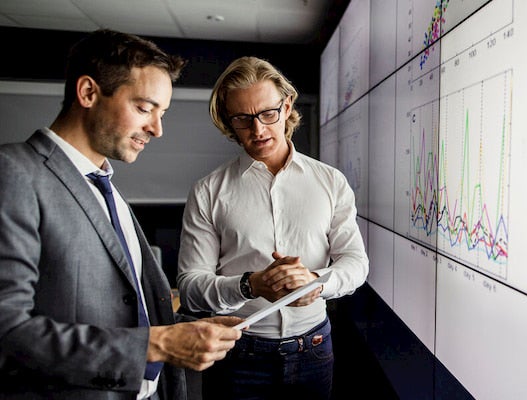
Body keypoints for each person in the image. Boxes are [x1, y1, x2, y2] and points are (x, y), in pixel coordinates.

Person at [0, 29, 243, 400]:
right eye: (144, 108)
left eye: (161, 114)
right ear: (87, 93)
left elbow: (126, 311)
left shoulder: (105, 187)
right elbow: (8, 331)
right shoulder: (14, 172)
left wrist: (185, 330)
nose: (157, 129)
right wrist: (157, 345)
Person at [176, 56, 369, 400]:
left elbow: (355, 262)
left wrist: (316, 284)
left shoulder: (330, 182)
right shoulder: (207, 191)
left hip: (314, 349)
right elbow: (190, 287)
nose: (259, 130)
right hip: (237, 353)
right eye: (243, 119)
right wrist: (251, 286)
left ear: (287, 105)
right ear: (228, 122)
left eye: (268, 114)